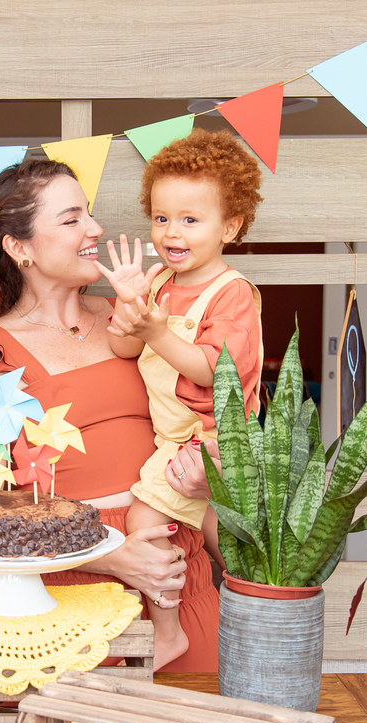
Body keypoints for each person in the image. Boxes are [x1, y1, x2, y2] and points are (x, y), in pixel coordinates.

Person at [0, 158, 220, 672]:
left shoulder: (136, 320)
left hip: (179, 580)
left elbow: (202, 415)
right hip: (69, 604)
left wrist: (208, 477)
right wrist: (107, 555)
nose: (95, 228)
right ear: (19, 248)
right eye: (72, 219)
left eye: (89, 213)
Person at [96, 131, 264, 667]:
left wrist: (157, 331)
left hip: (207, 438)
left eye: (191, 219)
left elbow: (215, 371)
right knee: (227, 544)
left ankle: (167, 633)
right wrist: (131, 306)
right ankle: (256, 614)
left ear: (229, 227)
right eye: (162, 218)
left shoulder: (232, 293)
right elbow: (124, 347)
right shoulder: (162, 283)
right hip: (175, 436)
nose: (172, 232)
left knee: (144, 522)